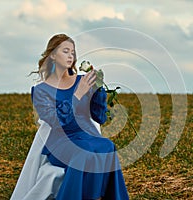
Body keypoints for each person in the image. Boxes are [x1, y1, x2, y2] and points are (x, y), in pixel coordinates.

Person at [11, 33, 129, 200]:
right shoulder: (40, 90)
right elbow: (57, 122)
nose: (70, 56)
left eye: (72, 52)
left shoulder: (82, 80)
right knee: (82, 153)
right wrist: (77, 95)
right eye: (65, 51)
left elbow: (99, 117)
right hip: (60, 140)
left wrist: (98, 90)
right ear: (52, 55)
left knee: (107, 146)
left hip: (87, 135)